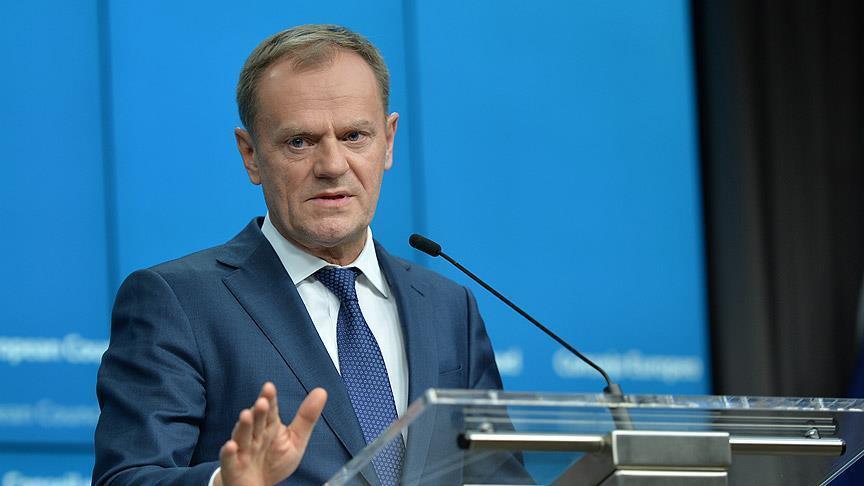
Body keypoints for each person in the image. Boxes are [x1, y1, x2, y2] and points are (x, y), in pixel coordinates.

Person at [93, 24, 507, 485]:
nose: (332, 165)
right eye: (300, 142)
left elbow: (500, 479)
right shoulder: (178, 302)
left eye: (354, 135)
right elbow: (126, 478)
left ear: (388, 141)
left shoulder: (449, 307)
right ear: (251, 154)